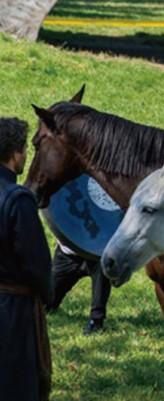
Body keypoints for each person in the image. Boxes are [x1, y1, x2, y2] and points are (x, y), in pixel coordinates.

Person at [0, 117, 53, 401]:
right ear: (14, 153)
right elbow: (38, 265)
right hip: (12, 314)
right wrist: (47, 293)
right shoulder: (18, 199)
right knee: (15, 387)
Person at [46, 240, 112, 335]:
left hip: (97, 255)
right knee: (47, 303)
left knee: (102, 271)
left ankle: (96, 321)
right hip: (68, 255)